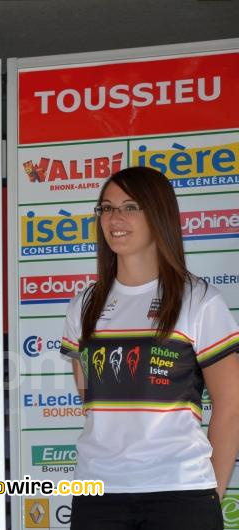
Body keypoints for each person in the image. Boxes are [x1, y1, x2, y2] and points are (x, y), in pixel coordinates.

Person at [60, 166, 239, 530]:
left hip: (179, 494)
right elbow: (90, 397)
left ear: (158, 214)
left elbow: (231, 405)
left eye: (130, 207)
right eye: (107, 208)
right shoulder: (85, 304)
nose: (115, 218)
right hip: (98, 494)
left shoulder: (199, 299)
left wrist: (209, 495)